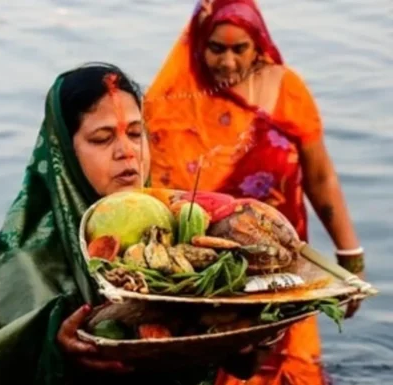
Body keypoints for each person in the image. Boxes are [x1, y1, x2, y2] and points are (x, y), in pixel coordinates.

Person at [0, 63, 274, 385]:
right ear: (64, 153)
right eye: (101, 138)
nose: (127, 152)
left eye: (136, 134)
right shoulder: (31, 261)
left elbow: (242, 366)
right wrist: (58, 352)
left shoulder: (186, 233)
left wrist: (247, 336)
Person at [143, 1, 365, 384]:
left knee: (293, 368)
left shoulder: (287, 91)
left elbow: (320, 175)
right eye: (216, 48)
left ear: (258, 44)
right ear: (197, 42)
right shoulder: (169, 104)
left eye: (239, 49)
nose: (227, 62)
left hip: (284, 267)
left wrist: (349, 258)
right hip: (211, 277)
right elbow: (157, 200)